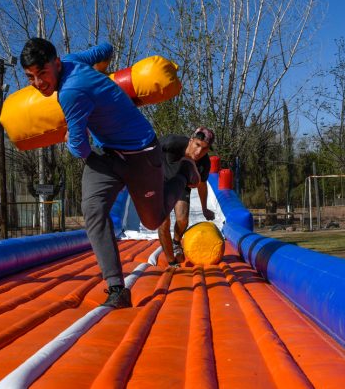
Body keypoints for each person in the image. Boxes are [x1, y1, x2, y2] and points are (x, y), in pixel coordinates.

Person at [20, 38, 200, 309]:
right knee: (93, 210)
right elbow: (105, 48)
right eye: (30, 77)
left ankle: (185, 171)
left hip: (141, 152)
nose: (38, 83)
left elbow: (79, 148)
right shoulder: (73, 60)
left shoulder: (71, 92)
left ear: (56, 64)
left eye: (42, 74)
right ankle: (117, 288)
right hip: (107, 154)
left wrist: (71, 136)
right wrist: (102, 76)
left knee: (153, 222)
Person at [157, 128, 216, 266]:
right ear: (191, 140)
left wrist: (204, 208)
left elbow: (201, 185)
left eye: (205, 149)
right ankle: (171, 261)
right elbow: (149, 149)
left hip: (180, 183)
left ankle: (176, 242)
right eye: (197, 145)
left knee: (182, 219)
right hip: (158, 180)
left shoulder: (204, 163)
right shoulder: (172, 143)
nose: (199, 152)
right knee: (163, 222)